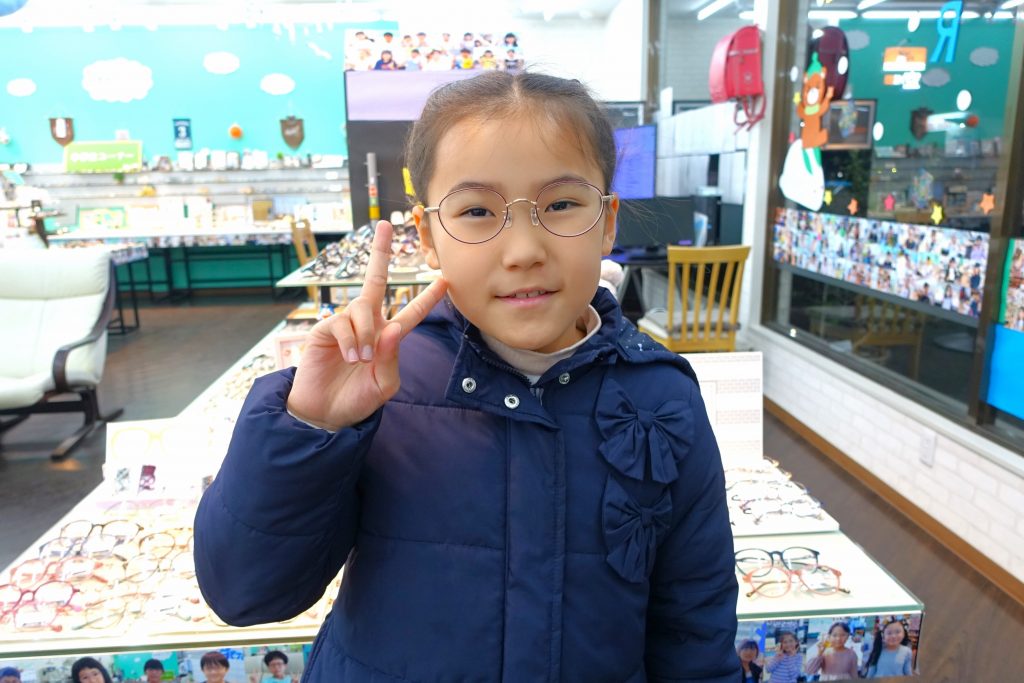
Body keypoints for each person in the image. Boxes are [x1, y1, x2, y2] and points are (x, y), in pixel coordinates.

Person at [194, 71, 738, 682]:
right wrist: (309, 427)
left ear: (608, 221)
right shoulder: (379, 391)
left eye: (561, 204)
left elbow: (695, 624)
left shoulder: (662, 398)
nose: (524, 249)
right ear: (427, 236)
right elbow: (244, 591)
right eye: (478, 211)